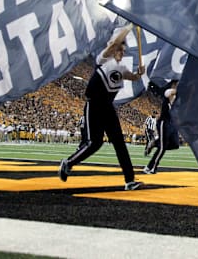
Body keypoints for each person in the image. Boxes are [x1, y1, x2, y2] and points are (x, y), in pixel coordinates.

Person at [58, 26, 145, 190]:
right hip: (95, 105)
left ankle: (129, 180)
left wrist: (139, 73)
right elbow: (113, 44)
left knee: (120, 143)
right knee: (94, 143)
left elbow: (132, 77)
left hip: (108, 108)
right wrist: (130, 27)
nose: (121, 52)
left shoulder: (122, 69)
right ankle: (68, 163)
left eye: (123, 50)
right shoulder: (103, 59)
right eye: (119, 49)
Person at [143, 81, 182, 174]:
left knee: (175, 144)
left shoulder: (178, 96)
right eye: (177, 84)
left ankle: (155, 143)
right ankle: (151, 167)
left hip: (173, 123)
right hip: (164, 122)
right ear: (173, 84)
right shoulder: (169, 92)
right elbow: (167, 93)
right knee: (163, 147)